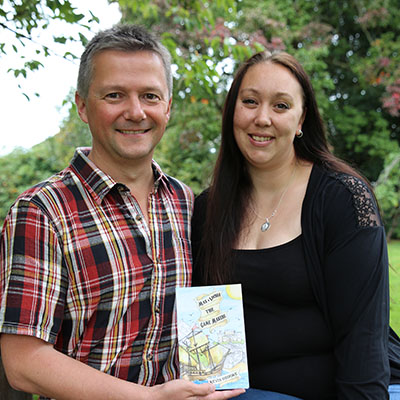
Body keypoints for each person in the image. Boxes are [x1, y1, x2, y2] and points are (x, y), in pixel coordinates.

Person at [0, 25, 244, 400]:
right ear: (82, 105)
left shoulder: (185, 201)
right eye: (114, 95)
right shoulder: (40, 212)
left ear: (167, 107)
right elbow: (24, 363)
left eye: (150, 96)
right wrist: (149, 398)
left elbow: (206, 311)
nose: (135, 111)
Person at [191, 50, 400, 399]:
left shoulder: (343, 199)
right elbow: (209, 346)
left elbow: (363, 342)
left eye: (281, 106)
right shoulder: (208, 209)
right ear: (232, 112)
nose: (262, 118)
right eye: (250, 101)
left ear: (302, 120)